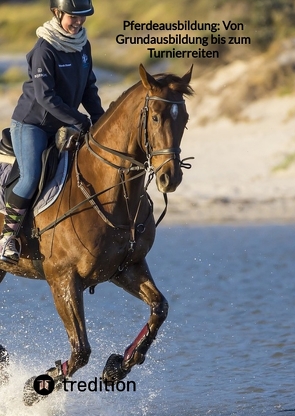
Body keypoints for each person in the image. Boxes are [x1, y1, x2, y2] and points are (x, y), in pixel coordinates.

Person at [0, 0, 104, 264]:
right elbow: (46, 97)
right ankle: (7, 238)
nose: (78, 22)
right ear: (57, 13)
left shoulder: (83, 45)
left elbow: (89, 89)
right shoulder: (44, 49)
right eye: (73, 17)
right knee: (31, 175)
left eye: (83, 17)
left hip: (64, 123)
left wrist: (100, 120)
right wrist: (79, 120)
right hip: (32, 124)